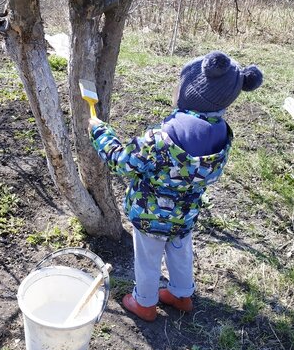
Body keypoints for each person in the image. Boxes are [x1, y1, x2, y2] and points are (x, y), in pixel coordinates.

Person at [88, 51, 263, 322]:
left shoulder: (160, 138)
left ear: (194, 93)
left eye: (180, 84)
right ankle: (181, 295)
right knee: (180, 253)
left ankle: (144, 303)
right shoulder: (221, 134)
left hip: (149, 216)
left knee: (147, 259)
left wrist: (101, 132)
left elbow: (122, 162)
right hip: (185, 215)